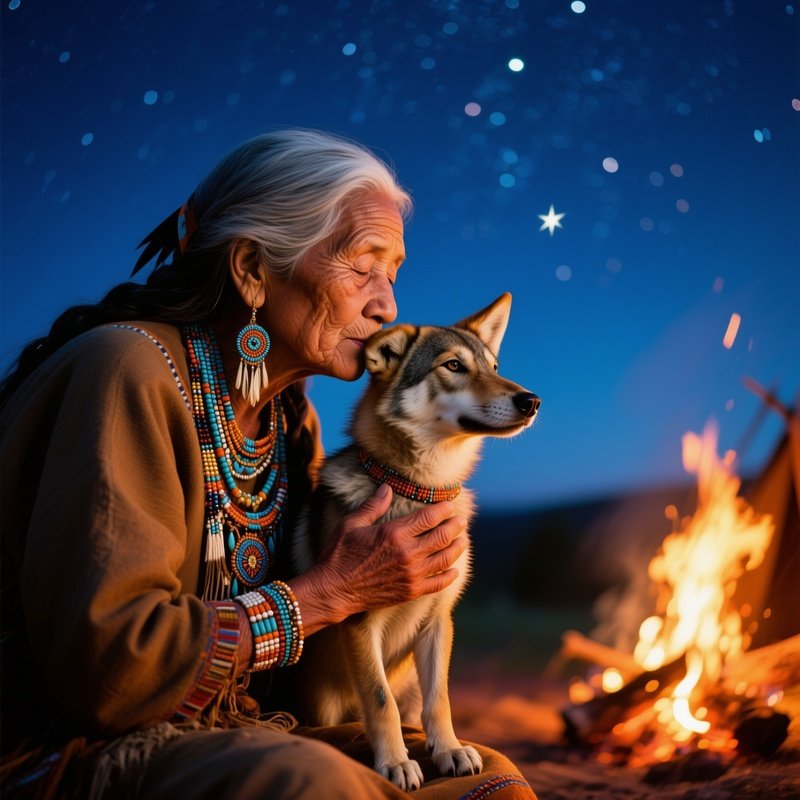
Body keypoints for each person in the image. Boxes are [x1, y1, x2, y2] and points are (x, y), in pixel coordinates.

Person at [0, 129, 536, 799]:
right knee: (310, 782)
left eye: (392, 274)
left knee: (491, 782)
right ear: (253, 268)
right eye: (362, 266)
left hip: (241, 727)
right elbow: (110, 671)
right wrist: (328, 594)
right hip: (81, 752)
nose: (387, 306)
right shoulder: (127, 371)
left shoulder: (288, 417)